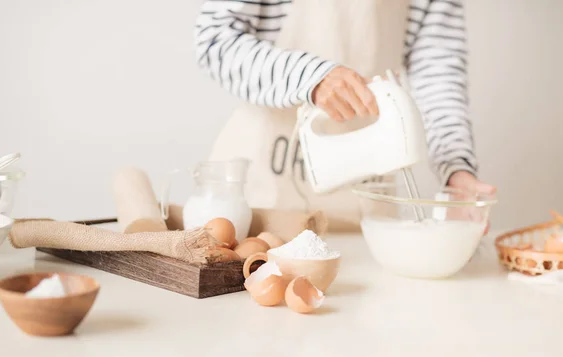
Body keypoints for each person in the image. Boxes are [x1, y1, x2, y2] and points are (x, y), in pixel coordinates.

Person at [195, 0, 495, 231]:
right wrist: (310, 77)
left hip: (366, 211)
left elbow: (437, 78)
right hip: (263, 202)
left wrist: (455, 170)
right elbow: (216, 42)